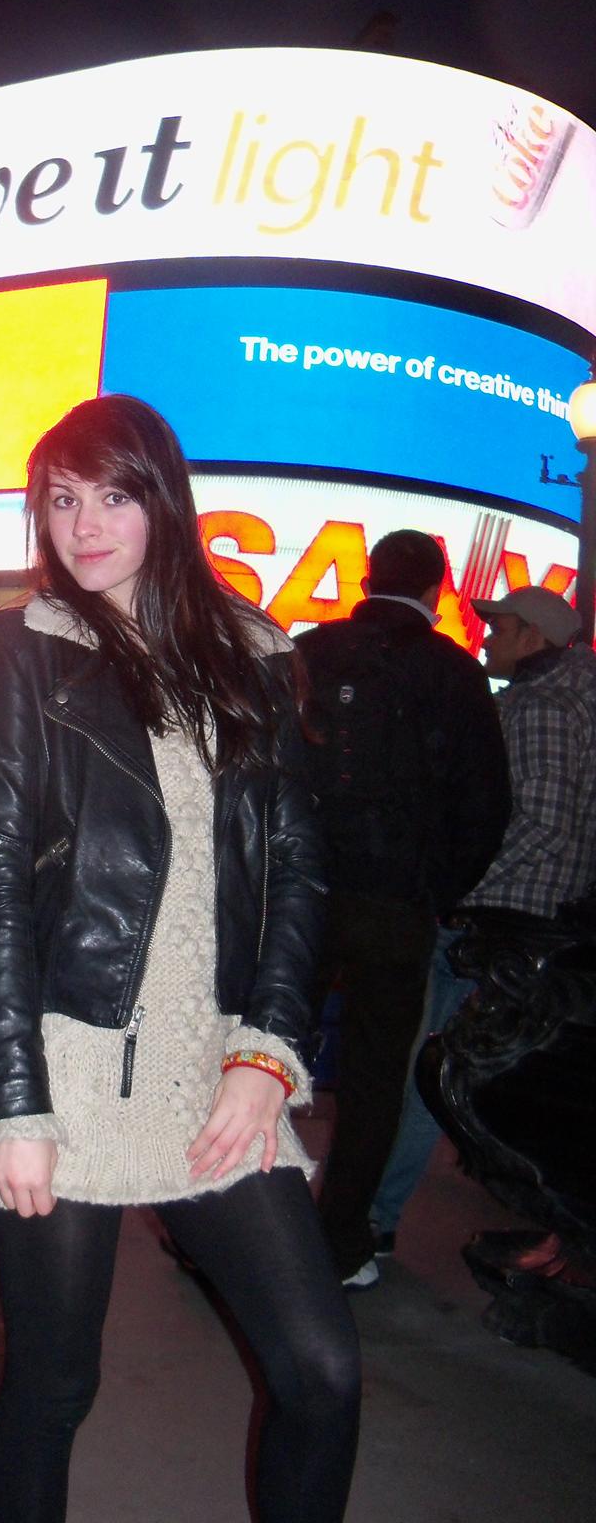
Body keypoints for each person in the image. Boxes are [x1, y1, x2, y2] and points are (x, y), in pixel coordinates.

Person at [0, 395, 360, 1523]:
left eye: (113, 496)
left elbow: (296, 871)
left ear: (163, 503)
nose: (83, 525)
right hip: (67, 1064)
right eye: (62, 499)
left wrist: (267, 1054)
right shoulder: (22, 651)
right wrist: (11, 1103)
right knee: (52, 1385)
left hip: (217, 1065)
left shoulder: (254, 655)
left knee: (322, 1369)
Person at [295, 531, 510, 1289]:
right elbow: (486, 806)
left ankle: (234, 1225)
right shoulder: (455, 672)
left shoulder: (312, 652)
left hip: (303, 896)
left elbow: (259, 770)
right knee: (375, 1079)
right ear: (435, 590)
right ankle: (340, 1240)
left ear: (367, 577)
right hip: (397, 903)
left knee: (264, 1056)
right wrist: (436, 891)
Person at [371, 585, 596, 1252]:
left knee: (434, 1073)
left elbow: (545, 825)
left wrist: (463, 884)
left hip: (500, 923)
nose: (487, 638)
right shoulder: (576, 698)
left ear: (533, 636)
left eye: (499, 628)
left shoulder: (541, 705)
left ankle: (374, 1220)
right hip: (548, 926)